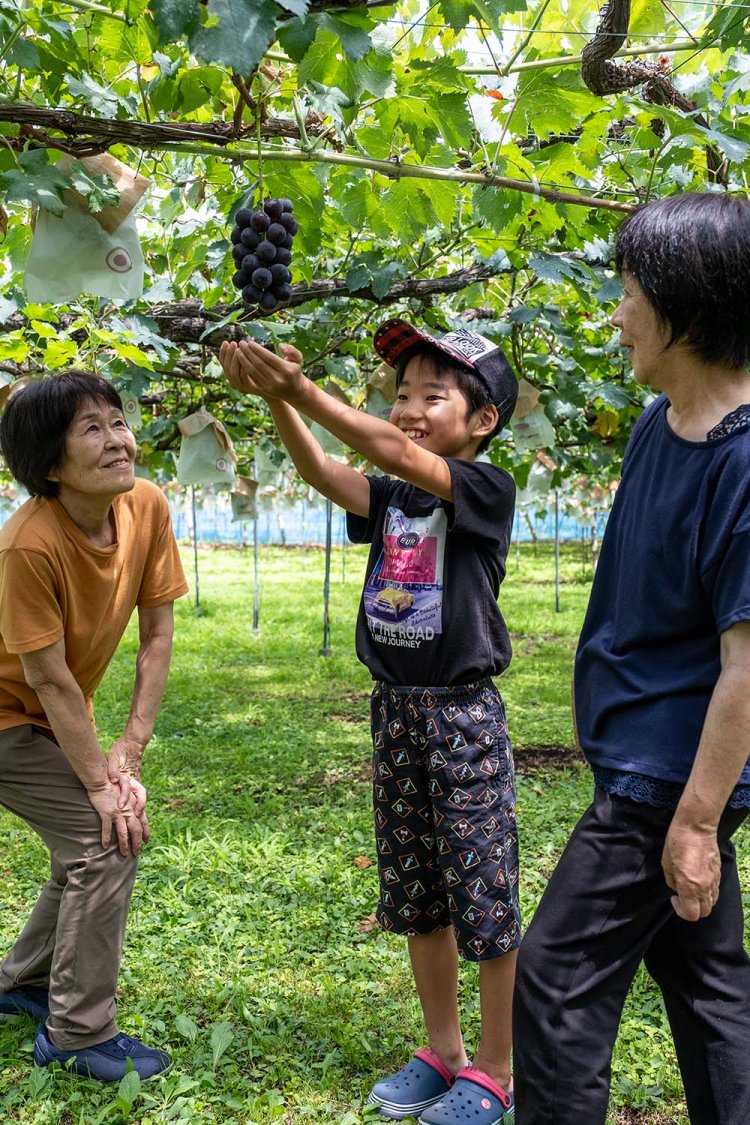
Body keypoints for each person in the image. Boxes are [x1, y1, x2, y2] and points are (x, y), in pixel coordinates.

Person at [220, 319, 520, 1125]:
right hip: (395, 715)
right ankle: (444, 1050)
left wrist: (300, 386)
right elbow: (325, 469)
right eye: (401, 393)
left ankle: (497, 1067)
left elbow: (393, 451)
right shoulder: (393, 499)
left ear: (482, 419)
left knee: (484, 894)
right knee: (419, 891)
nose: (409, 408)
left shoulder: (485, 489)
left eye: (432, 395)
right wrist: (278, 400)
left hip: (461, 717)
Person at [513, 193, 750, 1125]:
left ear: (684, 303)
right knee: (707, 981)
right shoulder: (663, 422)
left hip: (666, 780)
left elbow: (747, 668)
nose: (616, 316)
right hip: (644, 760)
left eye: (629, 294)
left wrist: (694, 822)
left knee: (555, 978)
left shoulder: (743, 464)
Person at [0, 371, 188, 1082]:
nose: (117, 439)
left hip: (43, 710)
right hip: (6, 715)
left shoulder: (146, 504)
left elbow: (157, 635)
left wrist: (127, 754)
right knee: (104, 839)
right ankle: (77, 1033)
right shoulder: (27, 545)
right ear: (51, 464)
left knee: (91, 836)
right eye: (91, 428)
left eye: (117, 421)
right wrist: (103, 789)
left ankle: (21, 982)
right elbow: (48, 679)